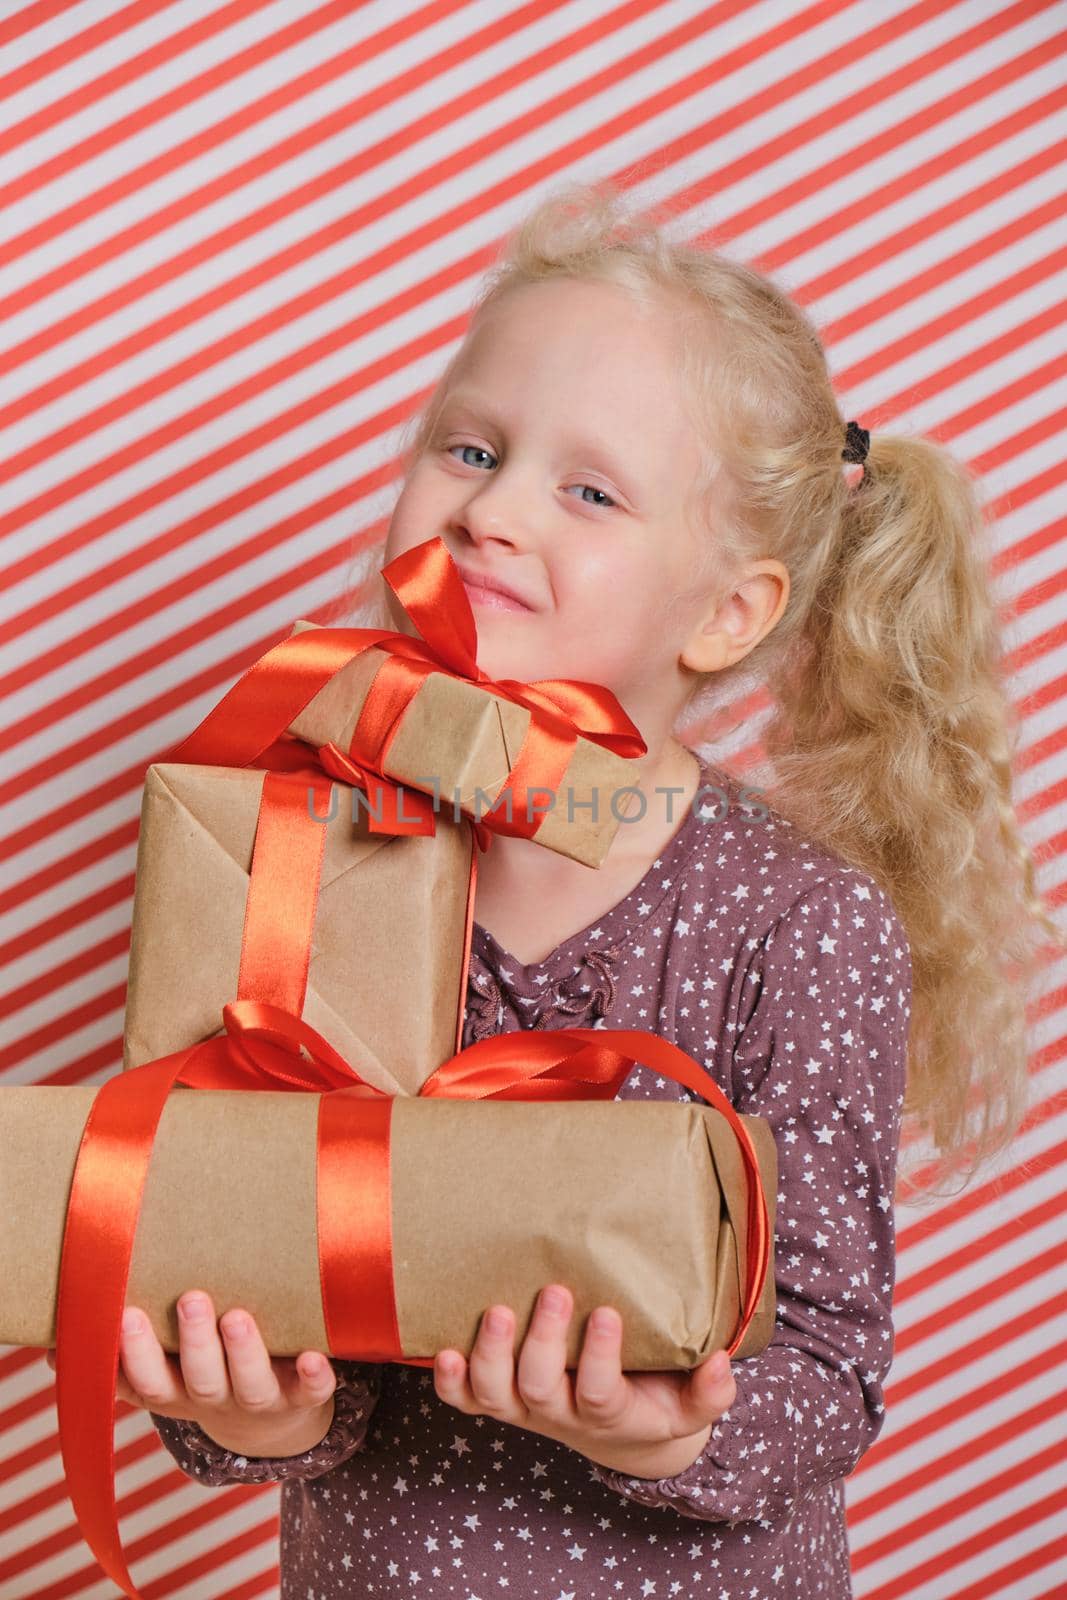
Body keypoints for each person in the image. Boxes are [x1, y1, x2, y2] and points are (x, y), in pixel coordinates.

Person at [86, 180, 1060, 1597]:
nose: (486, 510)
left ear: (731, 611)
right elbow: (250, 1255)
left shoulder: (795, 923)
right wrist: (254, 1413)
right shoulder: (299, 856)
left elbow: (834, 1370)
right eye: (467, 446)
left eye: (587, 489)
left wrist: (664, 1431)